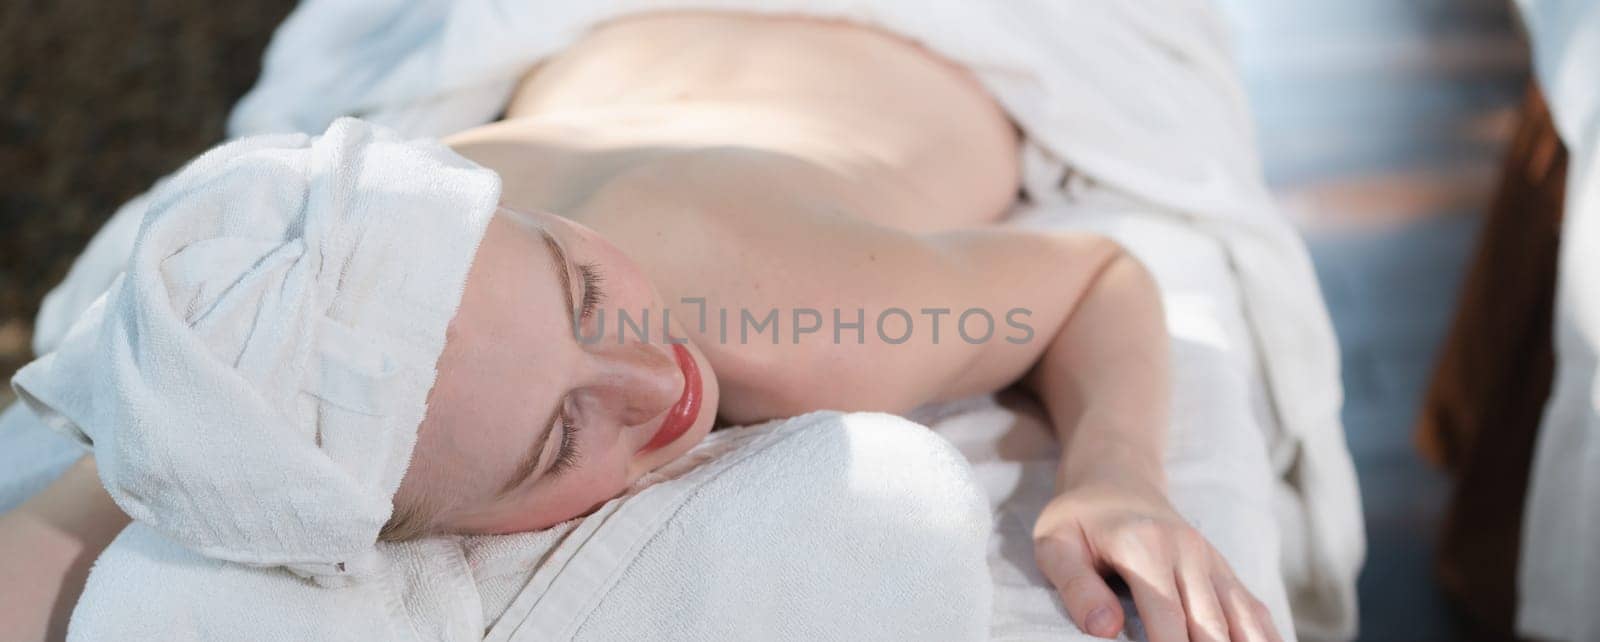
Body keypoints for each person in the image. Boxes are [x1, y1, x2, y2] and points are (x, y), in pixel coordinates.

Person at [1, 11, 1282, 642]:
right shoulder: (283, 370)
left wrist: (1113, 474)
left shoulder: (778, 309)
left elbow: (1093, 272)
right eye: (560, 441)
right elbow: (50, 531)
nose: (654, 376)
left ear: (504, 219)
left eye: (582, 293)